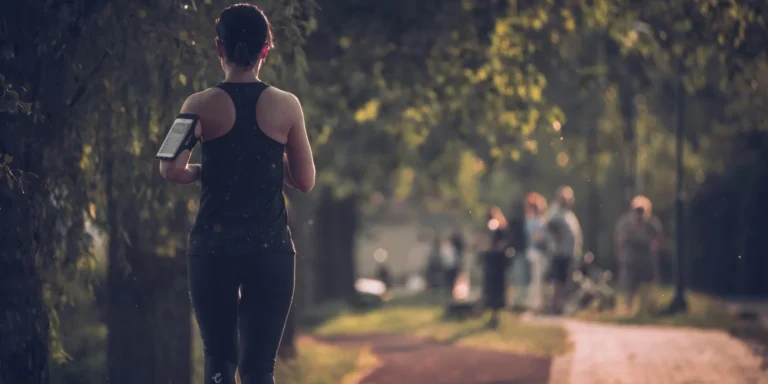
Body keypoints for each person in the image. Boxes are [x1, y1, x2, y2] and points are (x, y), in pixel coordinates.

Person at [158, 4, 315, 384]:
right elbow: (305, 180)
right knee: (260, 367)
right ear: (266, 49)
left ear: (218, 48)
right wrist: (268, 164)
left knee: (219, 360)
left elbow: (169, 169)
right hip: (271, 249)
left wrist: (204, 171)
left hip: (213, 250)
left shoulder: (197, 104)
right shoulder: (287, 105)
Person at [614, 195, 663, 313]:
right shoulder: (625, 223)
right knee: (629, 288)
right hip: (630, 260)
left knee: (647, 287)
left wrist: (654, 254)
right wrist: (620, 256)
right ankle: (628, 309)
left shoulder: (652, 224)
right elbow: (618, 240)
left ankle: (645, 310)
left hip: (646, 261)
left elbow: (658, 241)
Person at [546, 186, 583, 315]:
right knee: (558, 282)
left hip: (569, 253)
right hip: (560, 253)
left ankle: (560, 307)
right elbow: (549, 225)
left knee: (567, 282)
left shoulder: (569, 214)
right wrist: (559, 237)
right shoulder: (555, 212)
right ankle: (554, 308)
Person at [524, 192, 552, 313]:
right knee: (537, 279)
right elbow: (537, 238)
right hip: (536, 253)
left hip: (539, 253)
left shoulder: (537, 220)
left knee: (539, 280)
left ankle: (538, 304)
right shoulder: (532, 221)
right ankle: (535, 305)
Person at [482, 231, 509, 328]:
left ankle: (494, 320)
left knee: (495, 302)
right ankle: (491, 319)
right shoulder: (490, 254)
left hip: (497, 283)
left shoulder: (500, 255)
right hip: (492, 283)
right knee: (491, 301)